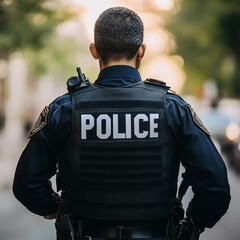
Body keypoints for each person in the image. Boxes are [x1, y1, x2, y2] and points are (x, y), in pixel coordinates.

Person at [13, 6, 230, 240]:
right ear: (142, 51)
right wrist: (191, 225)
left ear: (94, 51)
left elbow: (27, 184)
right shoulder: (172, 108)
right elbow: (215, 188)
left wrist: (54, 207)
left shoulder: (64, 110)